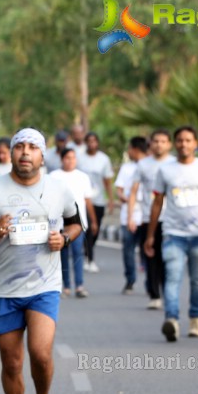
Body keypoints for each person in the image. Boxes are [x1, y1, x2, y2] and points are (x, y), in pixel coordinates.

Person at [0, 128, 82, 394]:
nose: (25, 152)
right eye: (19, 146)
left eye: (31, 148)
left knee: (40, 352)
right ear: (10, 153)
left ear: (42, 155)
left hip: (45, 285)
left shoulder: (59, 189)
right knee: (11, 362)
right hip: (5, 289)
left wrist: (64, 239)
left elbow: (77, 224)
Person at [144, 125, 198, 341]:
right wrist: (151, 234)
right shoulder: (165, 170)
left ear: (195, 144)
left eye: (188, 140)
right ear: (175, 144)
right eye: (180, 140)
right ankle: (171, 320)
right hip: (173, 234)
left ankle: (196, 319)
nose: (184, 144)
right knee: (172, 278)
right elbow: (157, 203)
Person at [129, 129, 174, 310]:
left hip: (171, 219)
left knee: (168, 258)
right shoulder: (143, 164)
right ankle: (154, 294)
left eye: (163, 141)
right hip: (149, 218)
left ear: (169, 144)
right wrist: (132, 216)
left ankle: (167, 291)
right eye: (156, 141)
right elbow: (133, 191)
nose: (159, 145)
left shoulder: (174, 164)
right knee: (151, 256)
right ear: (150, 144)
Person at [49, 147, 95, 298]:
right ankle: (66, 286)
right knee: (62, 256)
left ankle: (79, 285)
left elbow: (87, 200)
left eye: (73, 158)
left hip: (77, 224)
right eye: (67, 158)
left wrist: (93, 220)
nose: (70, 161)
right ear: (62, 159)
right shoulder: (53, 176)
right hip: (59, 224)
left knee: (78, 254)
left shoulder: (82, 177)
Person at [114, 136, 148, 294]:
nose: (128, 152)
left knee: (147, 250)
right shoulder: (126, 168)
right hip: (128, 212)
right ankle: (130, 280)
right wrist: (122, 197)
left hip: (147, 214)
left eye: (130, 149)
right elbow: (119, 189)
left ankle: (151, 282)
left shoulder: (151, 166)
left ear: (136, 149)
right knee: (128, 249)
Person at [76, 132, 113, 273]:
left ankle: (87, 250)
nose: (92, 144)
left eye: (94, 141)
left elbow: (107, 181)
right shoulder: (79, 158)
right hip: (84, 199)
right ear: (86, 143)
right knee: (89, 228)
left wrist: (110, 199)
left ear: (97, 143)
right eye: (89, 141)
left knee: (96, 229)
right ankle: (90, 258)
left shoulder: (104, 159)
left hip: (98, 199)